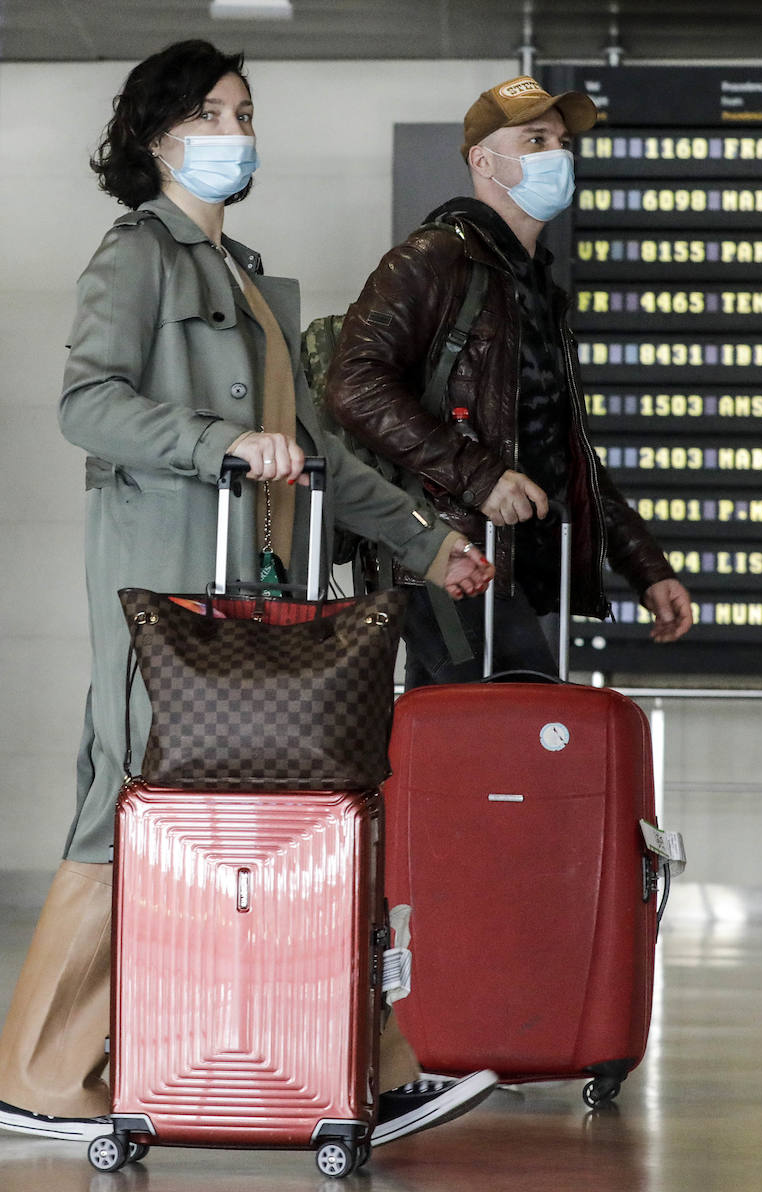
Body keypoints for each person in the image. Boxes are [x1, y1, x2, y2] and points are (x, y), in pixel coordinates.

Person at [0, 40, 498, 1145]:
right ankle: (40, 1070)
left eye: (244, 111)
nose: (235, 132)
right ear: (154, 138)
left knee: (293, 808)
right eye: (211, 114)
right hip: (162, 588)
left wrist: (428, 543)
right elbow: (89, 404)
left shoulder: (245, 277)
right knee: (125, 798)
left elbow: (318, 449)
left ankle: (367, 1064)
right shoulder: (138, 254)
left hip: (252, 588)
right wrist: (219, 441)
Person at [326, 75, 693, 686]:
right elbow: (354, 383)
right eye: (534, 139)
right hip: (447, 558)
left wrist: (646, 567)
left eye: (560, 139)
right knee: (507, 739)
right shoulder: (432, 259)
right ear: (482, 160)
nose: (558, 154)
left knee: (473, 751)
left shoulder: (534, 289)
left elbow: (564, 454)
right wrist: (480, 475)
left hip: (515, 566)